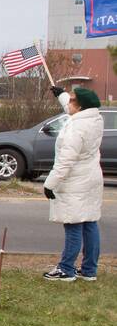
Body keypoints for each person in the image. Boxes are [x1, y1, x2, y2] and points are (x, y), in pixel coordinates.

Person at [42, 85, 104, 282]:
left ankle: (66, 269)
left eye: (72, 100)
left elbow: (65, 161)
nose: (68, 102)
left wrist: (49, 184)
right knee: (89, 222)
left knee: (73, 224)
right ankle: (89, 270)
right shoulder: (94, 118)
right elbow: (72, 109)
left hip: (75, 180)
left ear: (80, 106)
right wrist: (61, 95)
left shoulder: (75, 129)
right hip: (91, 177)